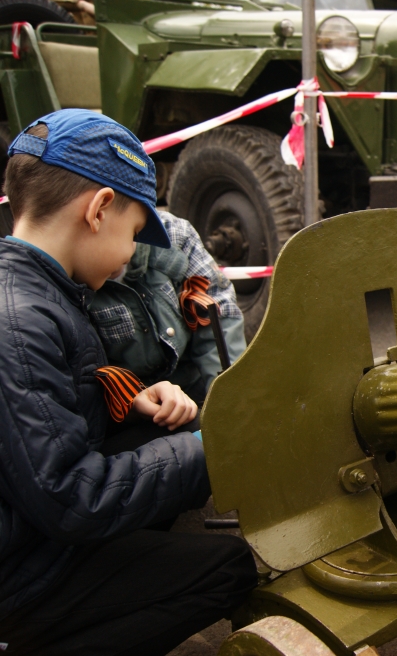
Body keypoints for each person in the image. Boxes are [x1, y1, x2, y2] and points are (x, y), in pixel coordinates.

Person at [0, 109, 258, 654]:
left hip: (23, 525)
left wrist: (129, 401)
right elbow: (72, 497)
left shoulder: (35, 289)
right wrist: (211, 452)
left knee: (160, 445)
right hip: (21, 574)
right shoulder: (22, 319)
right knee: (228, 568)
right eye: (134, 232)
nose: (128, 253)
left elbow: (44, 421)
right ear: (99, 210)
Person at [88, 211, 247, 409]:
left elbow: (218, 318)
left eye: (136, 230)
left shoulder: (174, 235)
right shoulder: (64, 274)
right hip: (125, 412)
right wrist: (133, 404)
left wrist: (232, 398)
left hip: (196, 384)